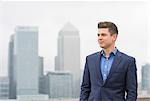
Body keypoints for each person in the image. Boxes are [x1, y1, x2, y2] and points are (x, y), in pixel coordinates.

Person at [80, 21, 137, 101]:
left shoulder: (128, 61)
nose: (99, 38)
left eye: (103, 35)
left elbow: (132, 92)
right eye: (98, 35)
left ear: (114, 37)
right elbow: (85, 88)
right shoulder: (90, 60)